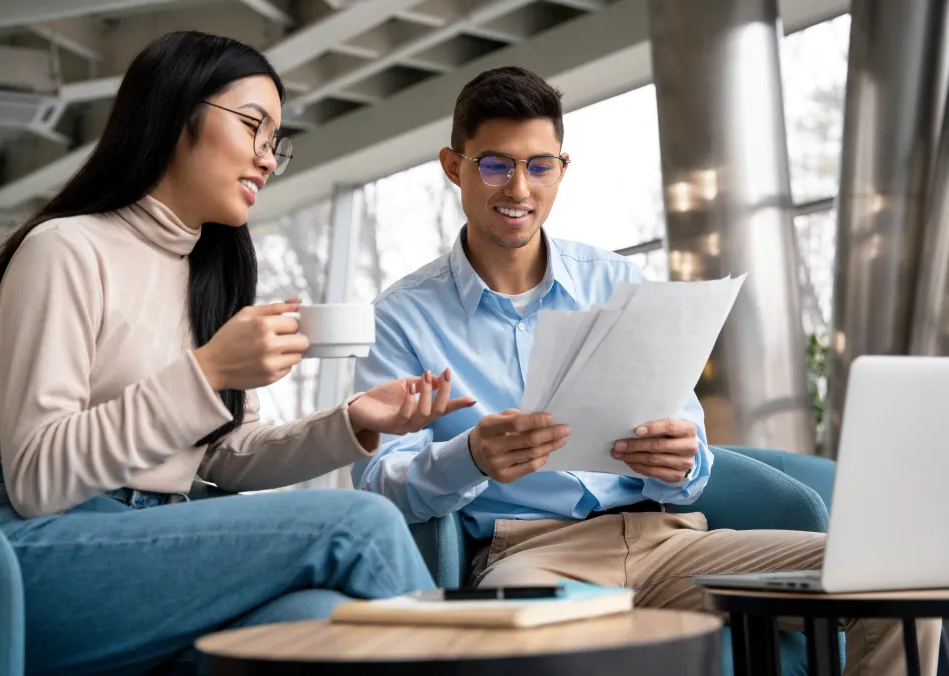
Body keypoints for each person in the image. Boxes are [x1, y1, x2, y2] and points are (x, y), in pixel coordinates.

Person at [351, 66, 940, 676]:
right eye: (496, 165)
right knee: (536, 649)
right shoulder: (401, 317)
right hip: (533, 554)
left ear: (562, 168)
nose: (519, 188)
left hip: (671, 542)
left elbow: (691, 452)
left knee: (891, 578)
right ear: (454, 166)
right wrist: (469, 457)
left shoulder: (619, 282)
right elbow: (377, 481)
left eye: (540, 165)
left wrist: (681, 462)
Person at [0, 31, 474, 676]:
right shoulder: (66, 249)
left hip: (150, 544)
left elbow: (225, 455)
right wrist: (210, 371)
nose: (265, 157)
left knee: (311, 621)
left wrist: (352, 422)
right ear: (174, 113)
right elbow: (36, 478)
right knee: (357, 524)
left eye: (274, 143)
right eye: (253, 125)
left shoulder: (211, 276)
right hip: (28, 552)